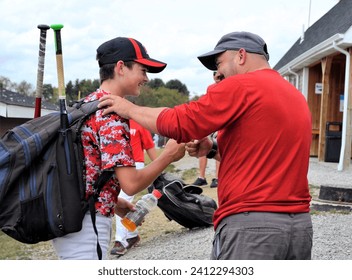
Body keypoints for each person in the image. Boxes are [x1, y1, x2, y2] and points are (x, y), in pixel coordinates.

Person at [98, 31, 313, 260]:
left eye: (219, 63)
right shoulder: (294, 95)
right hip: (298, 226)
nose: (217, 73)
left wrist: (128, 109)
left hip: (252, 229)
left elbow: (182, 123)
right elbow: (265, 152)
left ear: (240, 56)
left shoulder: (241, 85)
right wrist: (212, 149)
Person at [51, 36, 185, 260]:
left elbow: (87, 171)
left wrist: (113, 202)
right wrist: (169, 155)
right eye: (143, 70)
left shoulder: (88, 103)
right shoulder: (111, 113)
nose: (146, 78)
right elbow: (131, 184)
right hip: (87, 224)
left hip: (75, 218)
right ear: (121, 67)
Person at [111, 119, 157, 256]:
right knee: (119, 199)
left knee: (120, 199)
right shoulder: (112, 122)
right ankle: (132, 236)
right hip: (116, 166)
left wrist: (159, 170)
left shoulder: (139, 122)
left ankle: (121, 241)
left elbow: (149, 146)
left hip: (135, 165)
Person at [192, 72, 222, 188]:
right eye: (216, 75)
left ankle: (218, 177)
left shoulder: (229, 85)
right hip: (211, 121)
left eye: (220, 76)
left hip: (221, 121)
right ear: (213, 76)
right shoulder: (211, 88)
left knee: (219, 147)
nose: (218, 78)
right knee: (202, 146)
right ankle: (202, 177)